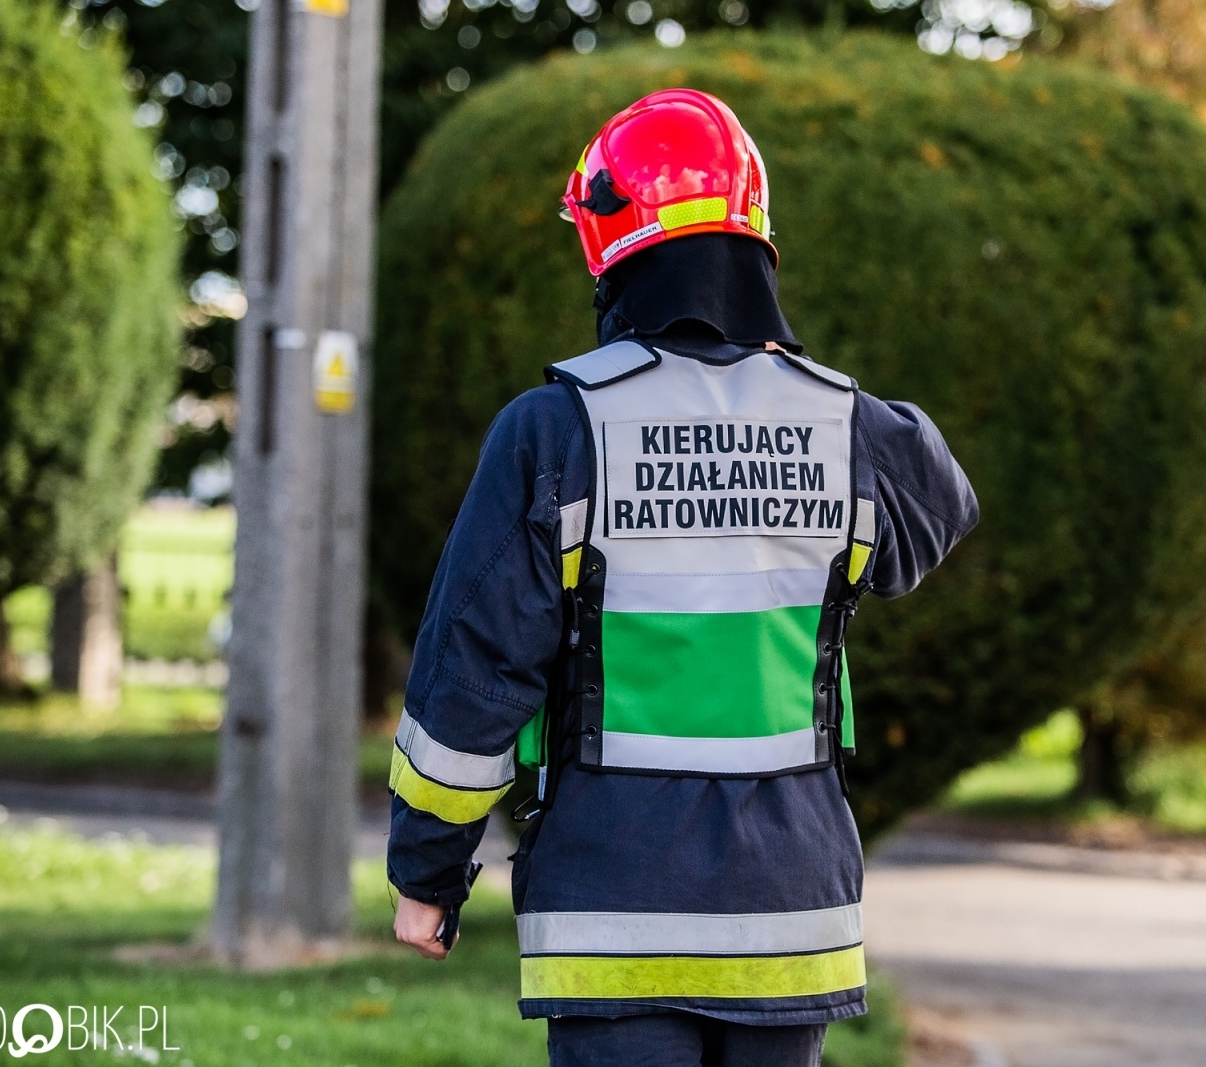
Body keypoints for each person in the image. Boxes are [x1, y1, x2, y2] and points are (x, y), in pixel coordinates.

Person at [386, 88, 979, 1067]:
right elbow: (939, 504)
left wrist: (429, 870)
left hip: (610, 918)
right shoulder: (848, 429)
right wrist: (791, 379)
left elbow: (476, 673)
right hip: (789, 921)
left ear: (607, 235)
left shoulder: (553, 431)